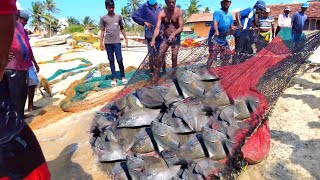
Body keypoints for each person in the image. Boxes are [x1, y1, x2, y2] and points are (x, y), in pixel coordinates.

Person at [0, 1, 51, 179]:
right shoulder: (11, 24)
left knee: (19, 101)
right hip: (12, 69)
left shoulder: (21, 28)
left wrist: (33, 62)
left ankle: (20, 116)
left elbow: (27, 47)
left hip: (22, 67)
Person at [150, 0, 183, 82]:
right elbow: (157, 28)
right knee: (159, 56)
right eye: (169, 2)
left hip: (176, 38)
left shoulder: (179, 11)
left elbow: (181, 27)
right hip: (165, 37)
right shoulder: (162, 13)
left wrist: (174, 34)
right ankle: (156, 76)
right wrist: (153, 39)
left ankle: (174, 75)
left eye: (173, 2)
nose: (171, 4)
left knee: (174, 57)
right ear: (166, 2)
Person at [132, 0, 166, 76]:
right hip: (150, 35)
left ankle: (163, 70)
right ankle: (152, 71)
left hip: (160, 35)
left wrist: (163, 30)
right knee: (151, 54)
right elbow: (134, 16)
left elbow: (164, 21)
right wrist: (144, 22)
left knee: (162, 53)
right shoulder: (144, 7)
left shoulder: (160, 8)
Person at [100, 0, 128, 87]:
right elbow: (102, 31)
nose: (111, 9)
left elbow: (122, 28)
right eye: (109, 7)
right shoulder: (103, 18)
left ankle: (123, 76)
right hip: (108, 42)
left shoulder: (118, 17)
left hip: (117, 42)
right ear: (106, 8)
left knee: (119, 59)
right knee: (111, 60)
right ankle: (114, 78)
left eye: (113, 7)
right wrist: (101, 42)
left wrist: (126, 38)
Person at [17, 10, 41, 112]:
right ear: (18, 18)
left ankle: (30, 106)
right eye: (24, 20)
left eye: (26, 21)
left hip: (28, 63)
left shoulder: (25, 32)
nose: (25, 23)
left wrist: (35, 63)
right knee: (19, 89)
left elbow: (28, 48)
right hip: (17, 65)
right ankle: (19, 112)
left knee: (33, 82)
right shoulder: (11, 30)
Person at [207, 0, 235, 69]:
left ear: (230, 3)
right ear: (221, 3)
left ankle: (221, 71)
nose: (226, 3)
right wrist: (216, 31)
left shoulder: (230, 15)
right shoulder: (217, 12)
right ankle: (207, 71)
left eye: (227, 2)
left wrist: (234, 27)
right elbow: (215, 23)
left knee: (226, 57)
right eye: (224, 2)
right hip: (217, 38)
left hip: (226, 39)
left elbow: (231, 26)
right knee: (212, 56)